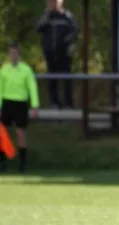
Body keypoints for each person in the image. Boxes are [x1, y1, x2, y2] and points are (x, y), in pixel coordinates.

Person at [0, 43, 39, 173]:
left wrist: (35, 105)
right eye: (11, 53)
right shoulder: (4, 69)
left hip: (20, 103)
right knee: (3, 133)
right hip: (7, 102)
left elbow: (32, 87)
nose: (13, 56)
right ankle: (3, 161)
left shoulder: (26, 70)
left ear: (19, 54)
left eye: (15, 53)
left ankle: (22, 164)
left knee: (20, 133)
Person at [36, 0, 78, 109]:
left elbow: (75, 30)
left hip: (64, 53)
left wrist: (67, 43)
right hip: (50, 52)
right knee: (52, 79)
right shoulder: (47, 16)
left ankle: (68, 103)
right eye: (50, 2)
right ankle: (55, 103)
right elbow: (39, 28)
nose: (52, 4)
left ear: (60, 3)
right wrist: (46, 15)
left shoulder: (67, 16)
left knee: (66, 78)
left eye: (54, 2)